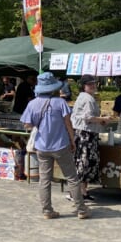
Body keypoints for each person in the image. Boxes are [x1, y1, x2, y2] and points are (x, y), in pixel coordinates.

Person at [21, 72, 91, 220]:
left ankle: (47, 210)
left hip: (42, 147)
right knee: (72, 177)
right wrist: (73, 141)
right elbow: (68, 124)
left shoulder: (32, 104)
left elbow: (27, 124)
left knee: (44, 179)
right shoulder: (60, 103)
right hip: (61, 145)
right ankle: (81, 209)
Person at [70, 74, 109, 202]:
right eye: (89, 84)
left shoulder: (85, 97)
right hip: (85, 135)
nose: (93, 86)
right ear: (83, 86)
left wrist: (100, 121)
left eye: (93, 83)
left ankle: (83, 192)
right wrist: (103, 119)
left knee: (86, 163)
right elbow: (88, 118)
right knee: (83, 163)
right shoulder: (87, 98)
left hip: (85, 133)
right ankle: (75, 193)